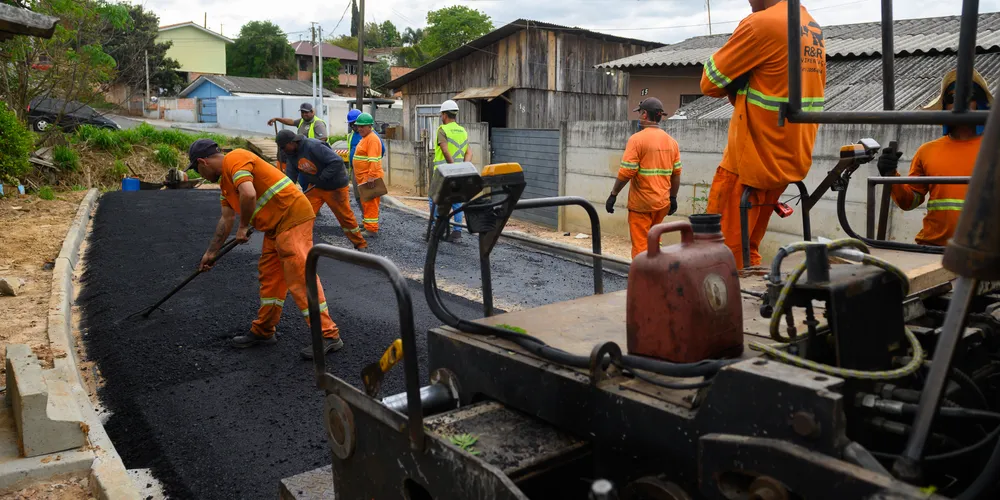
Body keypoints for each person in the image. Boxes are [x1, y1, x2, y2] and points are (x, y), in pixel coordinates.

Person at [187, 139, 345, 360]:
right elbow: (226, 219)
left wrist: (243, 227)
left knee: (299, 273)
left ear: (202, 162)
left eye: (198, 170)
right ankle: (264, 330)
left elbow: (249, 194)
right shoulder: (225, 184)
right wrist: (211, 253)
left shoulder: (235, 158)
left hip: (293, 215)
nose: (201, 175)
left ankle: (328, 335)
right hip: (275, 227)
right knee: (270, 277)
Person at [699, 0, 827, 268]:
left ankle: (728, 310)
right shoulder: (810, 25)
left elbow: (709, 82)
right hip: (784, 160)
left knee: (718, 254)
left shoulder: (761, 24)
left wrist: (737, 80)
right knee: (748, 248)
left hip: (748, 163)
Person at [881, 68, 993, 246]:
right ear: (944, 107)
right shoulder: (927, 151)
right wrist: (890, 174)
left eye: (967, 96)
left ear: (980, 103)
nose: (958, 104)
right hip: (933, 249)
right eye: (951, 98)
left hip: (981, 253)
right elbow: (909, 202)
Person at [604, 97, 682, 258]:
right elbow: (676, 174)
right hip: (662, 203)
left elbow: (627, 172)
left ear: (645, 115)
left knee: (640, 246)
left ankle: (643, 279)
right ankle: (657, 272)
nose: (639, 117)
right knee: (654, 239)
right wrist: (673, 198)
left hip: (642, 204)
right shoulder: (672, 142)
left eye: (640, 113)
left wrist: (613, 194)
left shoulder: (637, 139)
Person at [276, 129, 367, 250]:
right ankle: (300, 247)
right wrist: (283, 193)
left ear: (292, 142)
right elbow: (291, 176)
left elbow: (337, 161)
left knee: (345, 218)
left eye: (283, 147)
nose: (282, 150)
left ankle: (360, 244)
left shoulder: (313, 146)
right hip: (316, 186)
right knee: (302, 214)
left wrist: (323, 177)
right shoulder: (291, 154)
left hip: (335, 186)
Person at [429, 100, 473, 243]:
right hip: (459, 173)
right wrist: (463, 168)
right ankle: (457, 233)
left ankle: (437, 230)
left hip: (443, 172)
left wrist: (452, 168)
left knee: (434, 200)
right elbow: (469, 152)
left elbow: (445, 150)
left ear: (444, 114)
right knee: (456, 202)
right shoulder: (463, 131)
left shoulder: (442, 129)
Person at [352, 112, 384, 234]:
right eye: (358, 126)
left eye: (362, 126)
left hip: (369, 177)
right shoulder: (366, 138)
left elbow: (374, 160)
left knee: (371, 203)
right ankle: (367, 223)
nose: (359, 128)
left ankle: (371, 228)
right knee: (366, 202)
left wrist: (371, 177)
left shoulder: (372, 139)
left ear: (369, 126)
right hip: (364, 177)